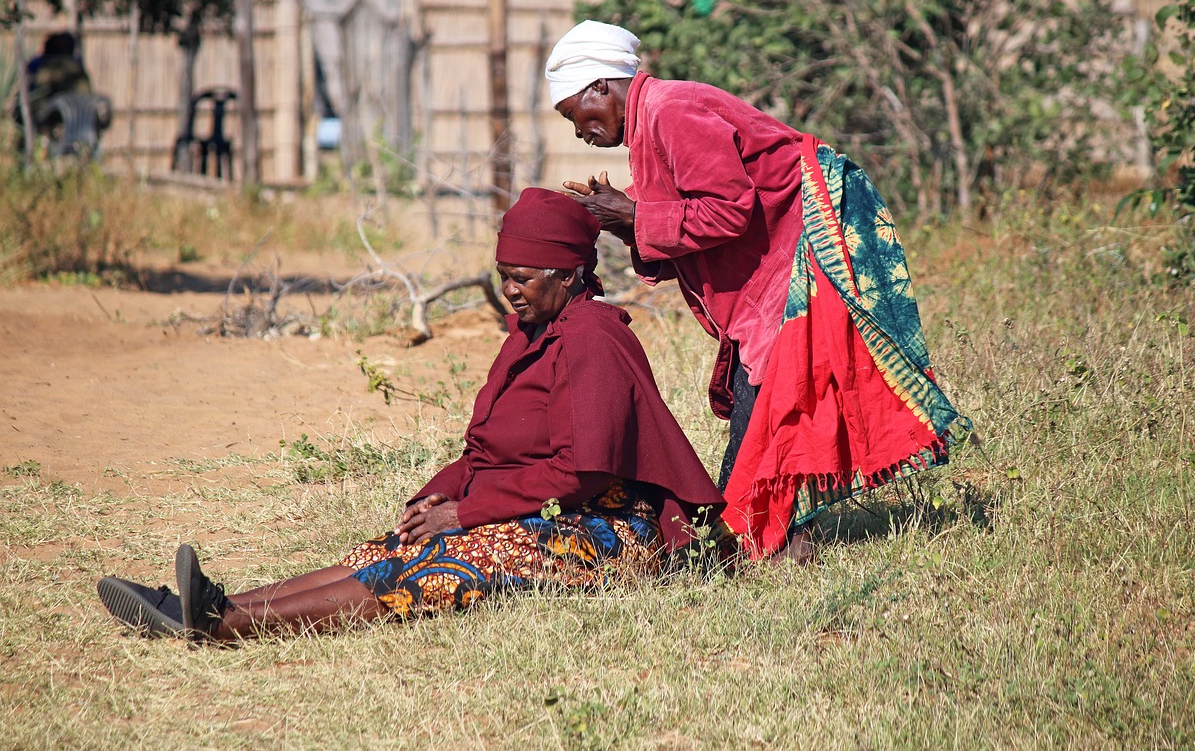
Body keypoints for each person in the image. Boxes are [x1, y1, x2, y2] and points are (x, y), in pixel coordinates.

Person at [96, 188, 727, 642]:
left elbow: (579, 476)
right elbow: (486, 451)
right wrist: (441, 493)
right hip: (534, 504)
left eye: (525, 277)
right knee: (387, 548)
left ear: (572, 272)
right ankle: (205, 606)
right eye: (504, 275)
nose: (511, 289)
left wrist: (468, 512)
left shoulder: (592, 338)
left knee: (439, 565)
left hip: (602, 529)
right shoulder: (532, 330)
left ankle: (225, 625)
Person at [547, 20, 970, 561]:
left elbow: (728, 210)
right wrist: (628, 219)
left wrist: (636, 215)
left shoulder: (670, 111)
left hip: (801, 247)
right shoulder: (652, 122)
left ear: (600, 87)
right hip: (772, 264)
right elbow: (697, 207)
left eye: (572, 114)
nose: (577, 131)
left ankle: (752, 539)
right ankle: (775, 538)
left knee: (770, 405)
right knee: (765, 400)